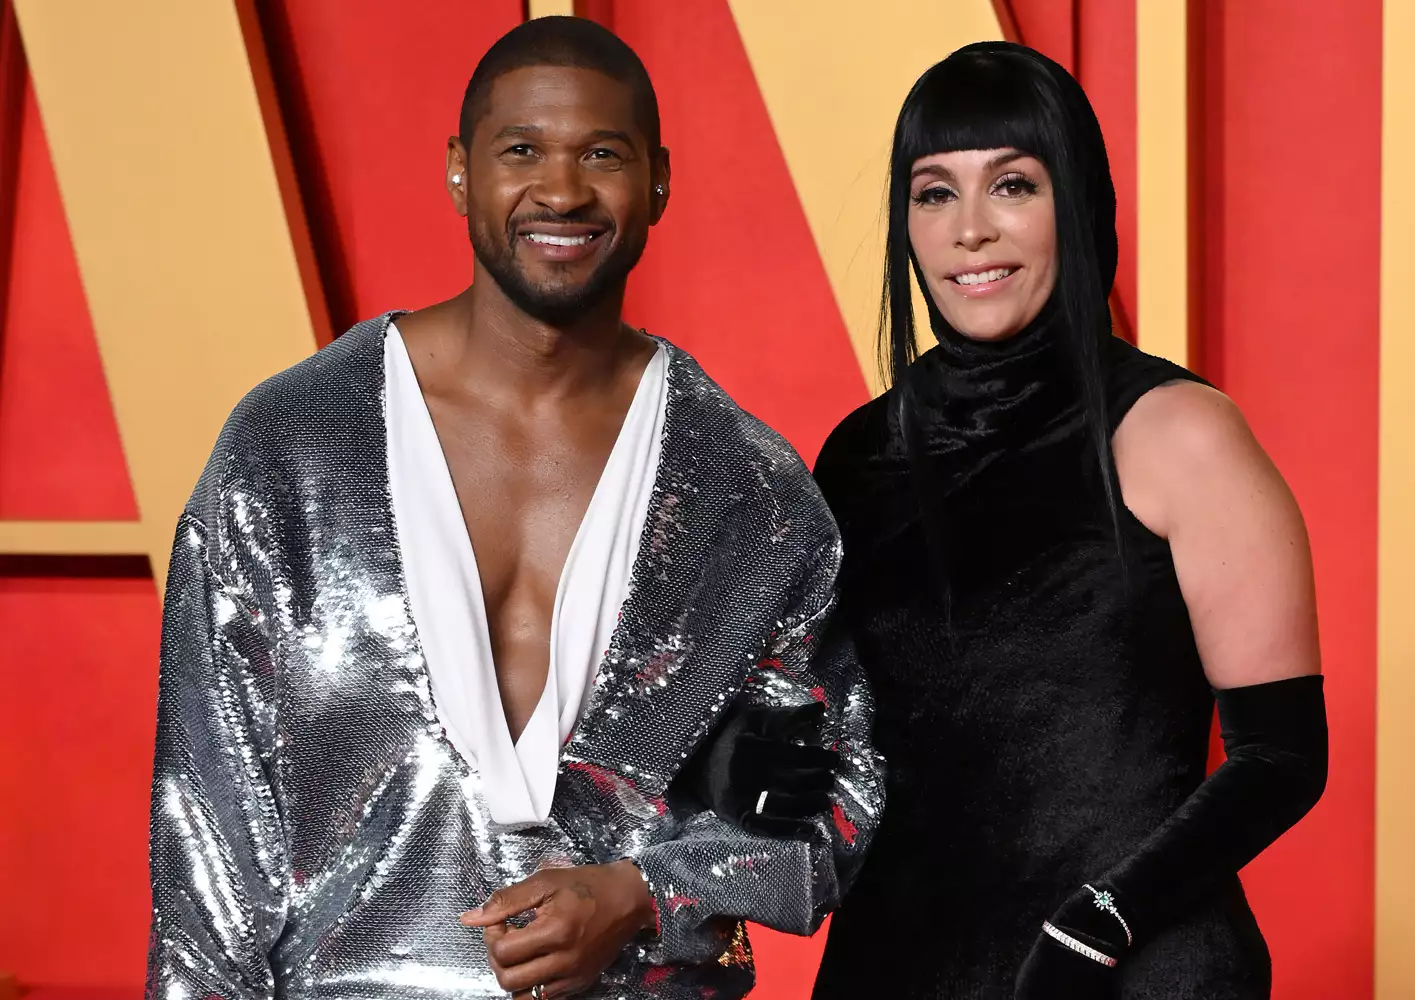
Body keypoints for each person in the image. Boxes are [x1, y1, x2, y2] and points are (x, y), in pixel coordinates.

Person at [145, 17, 880, 1000]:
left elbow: (838, 799)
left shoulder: (748, 493)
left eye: (602, 154)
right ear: (460, 171)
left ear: (658, 179)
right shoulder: (293, 449)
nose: (563, 190)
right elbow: (208, 842)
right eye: (522, 150)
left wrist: (646, 891)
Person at [810, 42, 1327, 999]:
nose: (969, 230)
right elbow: (832, 734)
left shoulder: (1179, 433)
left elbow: (1282, 756)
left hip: (1129, 966)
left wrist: (1100, 924)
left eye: (1011, 185)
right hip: (898, 962)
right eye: (934, 193)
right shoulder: (856, 454)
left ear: (1078, 204)